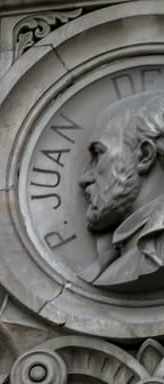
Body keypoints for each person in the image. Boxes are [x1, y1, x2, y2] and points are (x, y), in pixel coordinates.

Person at [80, 89, 164, 289]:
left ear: (144, 155)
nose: (85, 177)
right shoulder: (119, 252)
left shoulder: (155, 254)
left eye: (99, 154)